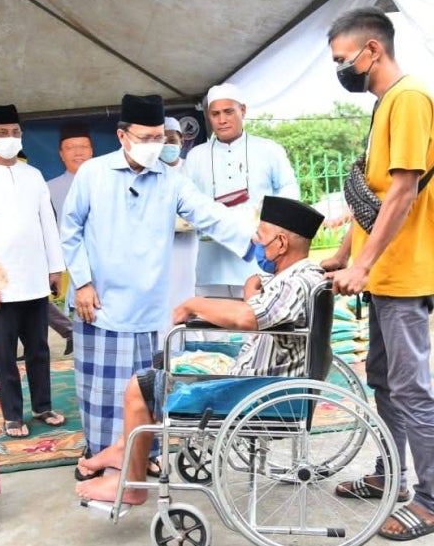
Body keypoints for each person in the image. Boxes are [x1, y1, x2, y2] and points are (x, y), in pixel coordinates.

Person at [75, 195, 326, 504]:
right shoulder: (300, 276)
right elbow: (258, 304)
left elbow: (248, 317)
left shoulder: (293, 284)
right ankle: (124, 448)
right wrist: (248, 294)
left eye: (260, 238)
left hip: (253, 391)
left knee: (139, 386)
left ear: (282, 243)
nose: (256, 245)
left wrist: (196, 304)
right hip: (261, 378)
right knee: (161, 362)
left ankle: (132, 485)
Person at [61, 93, 255, 480]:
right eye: (146, 138)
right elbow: (70, 230)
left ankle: (142, 452)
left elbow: (210, 215)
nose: (156, 146)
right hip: (99, 301)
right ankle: (102, 454)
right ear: (122, 135)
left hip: (148, 304)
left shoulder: (171, 181)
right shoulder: (93, 174)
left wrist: (257, 243)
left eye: (160, 138)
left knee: (148, 387)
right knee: (102, 390)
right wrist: (82, 282)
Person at [321, 7, 434, 541]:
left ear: (371, 50)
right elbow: (373, 196)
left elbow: (402, 191)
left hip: (405, 273)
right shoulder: (385, 108)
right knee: (384, 380)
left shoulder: (410, 100)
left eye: (341, 59)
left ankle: (433, 501)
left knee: (411, 388)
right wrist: (343, 252)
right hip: (383, 275)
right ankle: (391, 477)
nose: (340, 68)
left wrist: (364, 263)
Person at [0, 104, 67, 438]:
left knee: (39, 348)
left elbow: (47, 222)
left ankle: (42, 406)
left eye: (15, 133)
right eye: (3, 134)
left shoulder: (32, 175)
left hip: (35, 277)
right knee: (4, 353)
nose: (10, 139)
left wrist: (55, 267)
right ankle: (12, 415)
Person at [184, 83, 300, 299]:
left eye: (229, 111)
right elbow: (187, 201)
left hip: (258, 255)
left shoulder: (268, 149)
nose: (222, 120)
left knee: (256, 326)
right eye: (215, 114)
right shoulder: (195, 156)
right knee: (213, 327)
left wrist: (273, 212)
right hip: (211, 260)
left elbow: (289, 187)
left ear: (243, 111)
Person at [47, 121, 94, 355]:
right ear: (61, 154)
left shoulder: (108, 180)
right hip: (68, 261)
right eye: (71, 147)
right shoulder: (49, 187)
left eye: (83, 146)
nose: (78, 152)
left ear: (92, 150)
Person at [159, 117, 197, 348]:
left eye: (171, 139)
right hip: (158, 246)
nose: (167, 145)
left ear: (181, 141)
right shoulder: (149, 171)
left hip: (187, 244)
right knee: (162, 296)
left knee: (184, 289)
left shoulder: (192, 170)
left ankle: (185, 346)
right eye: (161, 140)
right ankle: (164, 348)